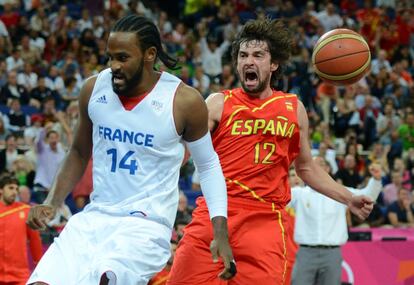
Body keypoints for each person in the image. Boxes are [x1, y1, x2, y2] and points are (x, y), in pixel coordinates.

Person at [26, 15, 234, 285]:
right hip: (95, 217)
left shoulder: (183, 101)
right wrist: (51, 203)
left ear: (149, 55)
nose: (113, 66)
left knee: (106, 279)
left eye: (123, 58)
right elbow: (78, 151)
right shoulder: (93, 89)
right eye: (110, 57)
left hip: (145, 226)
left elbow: (208, 166)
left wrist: (220, 230)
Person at [168, 18, 374, 285]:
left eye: (257, 55)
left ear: (273, 63)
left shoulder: (293, 108)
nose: (248, 61)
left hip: (265, 221)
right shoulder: (218, 104)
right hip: (215, 215)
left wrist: (348, 197)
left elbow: (306, 168)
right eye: (243, 55)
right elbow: (181, 152)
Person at [290, 158, 383, 285]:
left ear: (328, 169)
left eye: (321, 164)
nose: (317, 167)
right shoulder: (299, 193)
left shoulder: (341, 192)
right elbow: (276, 197)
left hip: (332, 253)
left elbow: (366, 196)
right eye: (313, 164)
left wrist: (376, 181)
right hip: (306, 252)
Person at [0, 174, 43, 285]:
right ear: (1, 190)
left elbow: (35, 242)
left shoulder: (26, 211)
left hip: (19, 276)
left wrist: (41, 270)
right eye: (10, 188)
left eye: (16, 189)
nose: (14, 192)